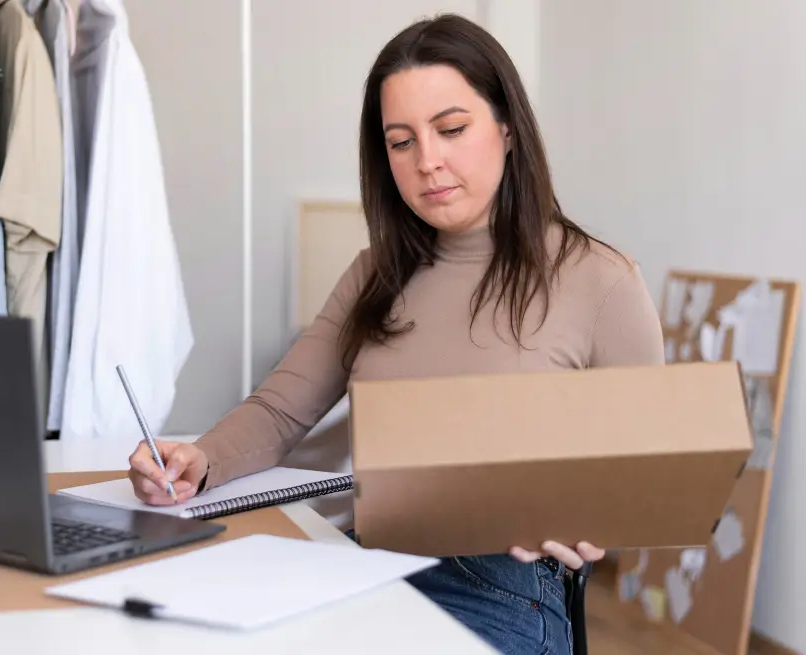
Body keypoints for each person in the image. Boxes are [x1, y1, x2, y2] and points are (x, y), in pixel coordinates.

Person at [127, 12, 664, 655]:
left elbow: (651, 479)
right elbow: (277, 411)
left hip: (502, 584)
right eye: (401, 141)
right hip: (366, 560)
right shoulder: (374, 275)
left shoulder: (599, 281)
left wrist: (585, 514)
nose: (427, 162)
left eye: (452, 129)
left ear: (509, 127)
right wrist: (198, 461)